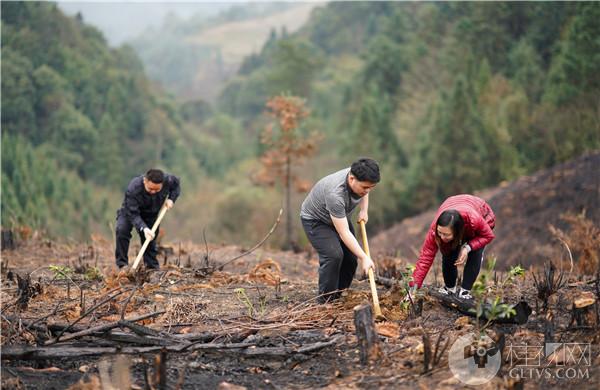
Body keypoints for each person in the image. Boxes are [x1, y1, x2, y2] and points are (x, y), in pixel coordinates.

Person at [300, 158, 380, 303]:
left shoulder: (360, 176)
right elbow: (344, 233)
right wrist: (365, 257)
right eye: (365, 187)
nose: (367, 191)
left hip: (338, 217)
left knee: (350, 259)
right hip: (317, 221)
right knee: (334, 255)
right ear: (351, 179)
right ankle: (326, 300)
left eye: (371, 187)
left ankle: (340, 294)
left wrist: (364, 210)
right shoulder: (335, 194)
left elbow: (366, 189)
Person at [410, 194, 495, 300]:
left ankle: (465, 291)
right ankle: (450, 288)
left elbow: (488, 235)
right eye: (440, 232)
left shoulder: (475, 220)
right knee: (448, 254)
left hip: (481, 213)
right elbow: (425, 258)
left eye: (446, 234)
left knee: (475, 253)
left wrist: (467, 247)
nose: (441, 237)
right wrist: (413, 290)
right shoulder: (435, 231)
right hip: (453, 204)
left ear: (457, 232)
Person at [115, 169, 180, 270]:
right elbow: (133, 214)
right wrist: (143, 228)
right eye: (150, 189)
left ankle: (151, 267)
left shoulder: (168, 180)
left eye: (157, 190)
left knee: (150, 238)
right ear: (145, 181)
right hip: (130, 211)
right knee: (122, 230)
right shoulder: (133, 188)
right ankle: (122, 265)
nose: (153, 192)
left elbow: (176, 186)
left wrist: (171, 199)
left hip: (151, 214)